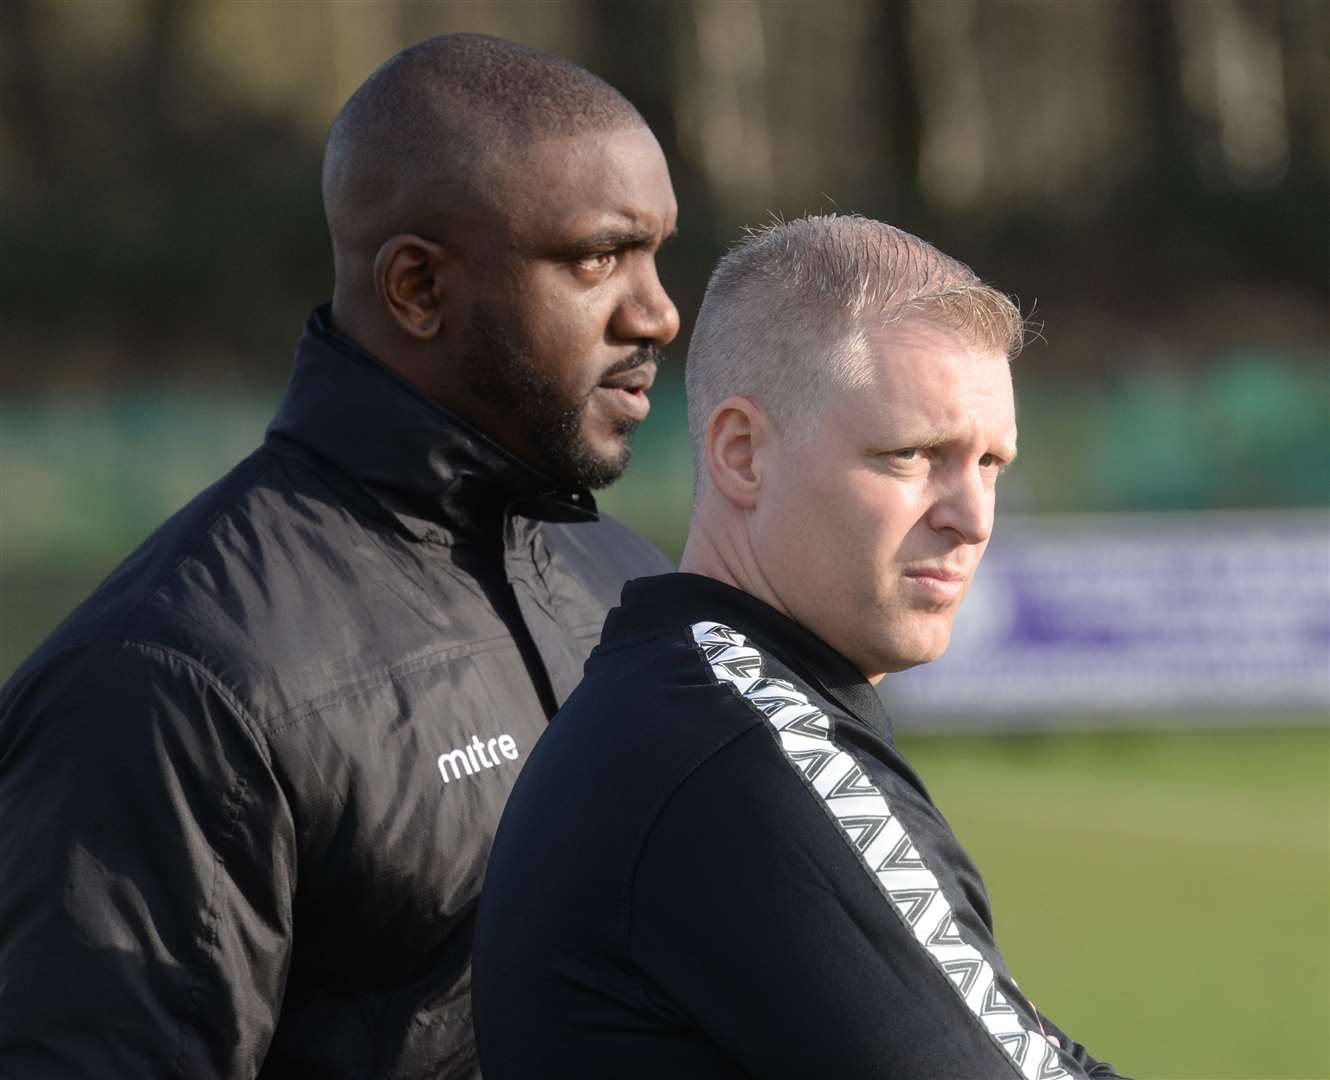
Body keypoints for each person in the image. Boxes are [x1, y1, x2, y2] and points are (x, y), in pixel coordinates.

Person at [0, 33, 679, 1079]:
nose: (657, 312)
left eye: (655, 255)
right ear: (415, 287)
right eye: (596, 257)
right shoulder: (168, 681)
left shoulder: (628, 584)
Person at [473, 215, 1128, 1079]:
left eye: (990, 465)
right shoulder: (744, 754)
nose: (971, 518)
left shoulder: (689, 703)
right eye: (915, 455)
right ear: (742, 454)